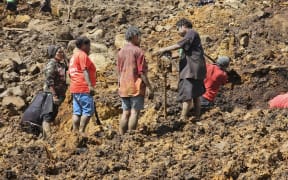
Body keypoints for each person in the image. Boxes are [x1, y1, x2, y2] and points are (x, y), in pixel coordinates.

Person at [154, 18, 206, 121]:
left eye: (178, 29)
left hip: (191, 70)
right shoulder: (192, 38)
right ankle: (197, 116)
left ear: (183, 26)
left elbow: (180, 44)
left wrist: (163, 49)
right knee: (196, 94)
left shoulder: (191, 32)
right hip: (196, 69)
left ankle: (183, 117)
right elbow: (182, 52)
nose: (178, 32)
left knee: (187, 94)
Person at [117, 26, 154, 135]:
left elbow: (119, 71)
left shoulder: (120, 52)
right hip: (135, 86)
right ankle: (131, 136)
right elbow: (141, 72)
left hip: (123, 86)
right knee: (134, 112)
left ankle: (121, 136)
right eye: (139, 37)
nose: (140, 39)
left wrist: (119, 85)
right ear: (134, 37)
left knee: (125, 112)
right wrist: (150, 87)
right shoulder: (138, 51)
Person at [69, 36, 96, 136]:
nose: (90, 48)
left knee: (77, 112)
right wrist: (90, 85)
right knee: (87, 111)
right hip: (83, 87)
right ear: (84, 45)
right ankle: (81, 131)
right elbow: (85, 70)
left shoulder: (73, 57)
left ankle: (75, 132)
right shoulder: (82, 55)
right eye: (88, 45)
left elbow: (70, 73)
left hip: (75, 88)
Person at [42, 45, 68, 139]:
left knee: (55, 114)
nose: (61, 54)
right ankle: (48, 137)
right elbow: (49, 80)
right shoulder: (51, 64)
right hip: (51, 93)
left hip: (60, 92)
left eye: (62, 52)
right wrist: (54, 95)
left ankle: (53, 135)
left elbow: (68, 67)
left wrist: (65, 57)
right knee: (48, 115)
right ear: (53, 54)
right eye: (59, 52)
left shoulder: (60, 64)